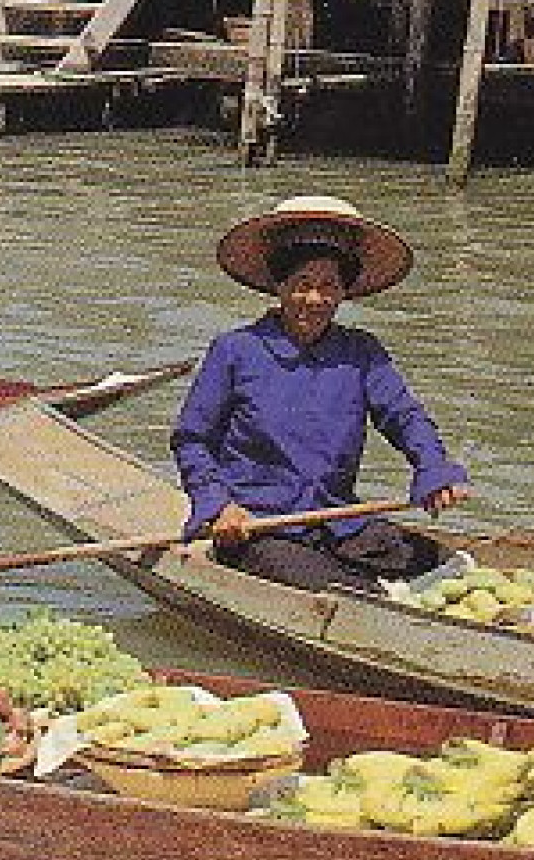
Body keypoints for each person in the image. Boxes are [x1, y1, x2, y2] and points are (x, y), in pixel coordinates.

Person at [169, 195, 471, 594]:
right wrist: (218, 505)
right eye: (302, 285)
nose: (315, 300)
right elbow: (192, 441)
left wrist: (432, 468)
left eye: (328, 286)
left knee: (448, 566)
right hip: (260, 529)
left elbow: (405, 416)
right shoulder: (235, 350)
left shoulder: (361, 353)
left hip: (339, 522)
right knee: (353, 595)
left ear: (343, 291)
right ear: (280, 286)